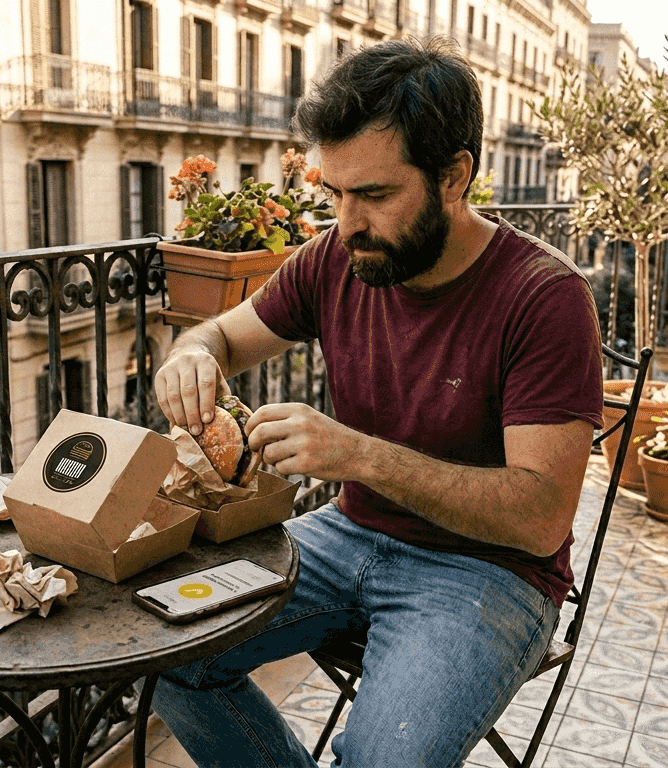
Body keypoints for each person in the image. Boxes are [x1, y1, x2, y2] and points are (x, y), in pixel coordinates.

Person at [151, 37, 603, 767]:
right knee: (164, 651)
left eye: (375, 195)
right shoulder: (337, 257)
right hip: (344, 537)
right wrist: (194, 352)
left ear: (455, 176)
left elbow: (537, 517)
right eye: (333, 192)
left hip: (488, 573)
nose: (346, 221)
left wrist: (357, 455)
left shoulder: (545, 298)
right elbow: (222, 336)